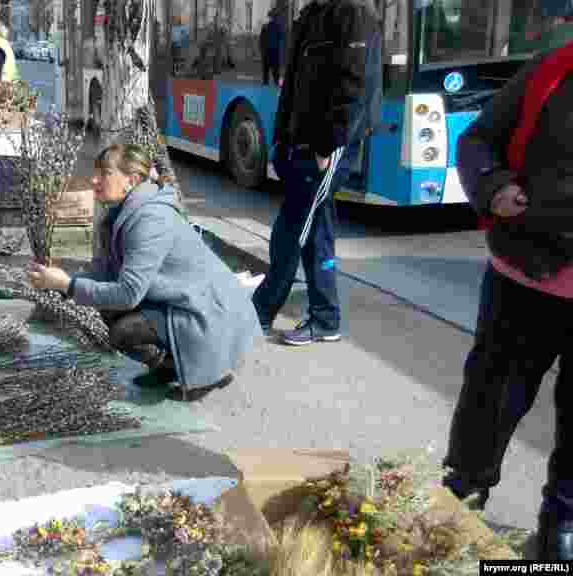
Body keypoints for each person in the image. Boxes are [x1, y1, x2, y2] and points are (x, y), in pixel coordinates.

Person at [443, 1, 573, 561]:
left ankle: (560, 526)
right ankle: (460, 498)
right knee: (490, 400)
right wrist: (492, 186)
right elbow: (477, 141)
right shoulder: (550, 70)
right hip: (521, 280)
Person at [27, 144, 262, 401]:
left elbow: (128, 294)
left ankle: (207, 372)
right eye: (96, 172)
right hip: (181, 298)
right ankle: (168, 367)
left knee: (123, 331)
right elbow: (106, 270)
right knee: (107, 308)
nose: (94, 179)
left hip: (206, 309)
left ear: (132, 180)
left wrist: (68, 286)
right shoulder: (122, 211)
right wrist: (65, 282)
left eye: (105, 173)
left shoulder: (149, 220)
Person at [251, 0, 380, 346]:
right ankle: (325, 318)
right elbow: (293, 86)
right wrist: (281, 140)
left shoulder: (352, 12)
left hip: (326, 147)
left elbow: (353, 86)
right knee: (316, 230)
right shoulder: (312, 14)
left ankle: (260, 312)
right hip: (302, 143)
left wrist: (326, 145)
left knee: (291, 229)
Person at [259, 8, 284, 86]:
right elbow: (280, 38)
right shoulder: (278, 27)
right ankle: (275, 83)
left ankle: (266, 84)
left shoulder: (265, 26)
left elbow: (261, 40)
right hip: (274, 51)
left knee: (266, 73)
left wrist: (262, 50)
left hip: (267, 51)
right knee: (275, 72)